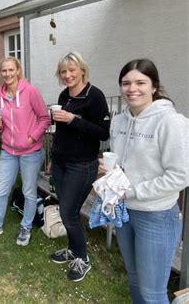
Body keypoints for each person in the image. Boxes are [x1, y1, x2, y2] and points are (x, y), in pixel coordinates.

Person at [105, 59, 187, 303]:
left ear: (154, 86)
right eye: (126, 83)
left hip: (156, 216)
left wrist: (131, 191)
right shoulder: (119, 121)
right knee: (134, 278)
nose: (132, 89)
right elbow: (124, 163)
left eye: (140, 82)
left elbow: (180, 175)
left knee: (152, 292)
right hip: (124, 211)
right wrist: (111, 172)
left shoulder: (171, 122)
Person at [49, 51, 110, 282]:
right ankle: (73, 250)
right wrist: (53, 156)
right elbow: (61, 131)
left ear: (82, 70)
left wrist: (74, 120)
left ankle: (82, 258)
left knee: (69, 213)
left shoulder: (95, 96)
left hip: (82, 165)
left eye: (71, 70)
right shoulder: (64, 95)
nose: (67, 75)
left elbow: (104, 133)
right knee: (67, 211)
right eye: (63, 71)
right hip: (61, 162)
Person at [0, 56, 51, 246]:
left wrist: (32, 137)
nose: (8, 74)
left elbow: (45, 118)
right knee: (1, 189)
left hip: (30, 152)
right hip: (8, 151)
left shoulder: (30, 91)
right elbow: (1, 125)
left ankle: (26, 227)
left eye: (11, 70)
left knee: (29, 191)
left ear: (18, 71)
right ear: (0, 73)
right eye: (4, 71)